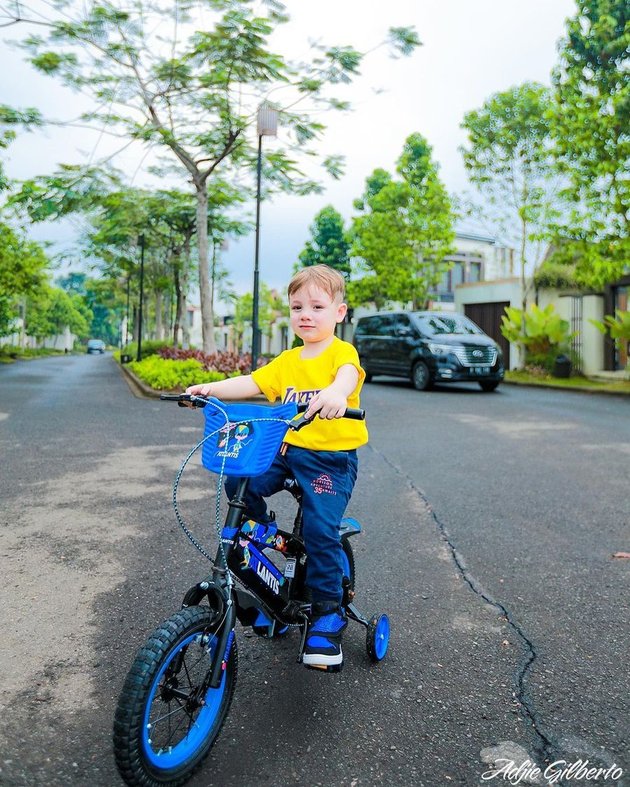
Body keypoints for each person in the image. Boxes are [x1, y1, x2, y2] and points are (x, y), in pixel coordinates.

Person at [186, 264, 368, 671]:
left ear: (339, 312)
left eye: (318, 306)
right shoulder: (288, 360)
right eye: (298, 306)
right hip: (286, 451)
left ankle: (326, 612)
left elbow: (345, 379)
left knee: (322, 529)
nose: (306, 314)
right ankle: (261, 539)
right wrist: (208, 389)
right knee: (240, 479)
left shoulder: (342, 354)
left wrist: (337, 395)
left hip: (329, 460)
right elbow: (252, 382)